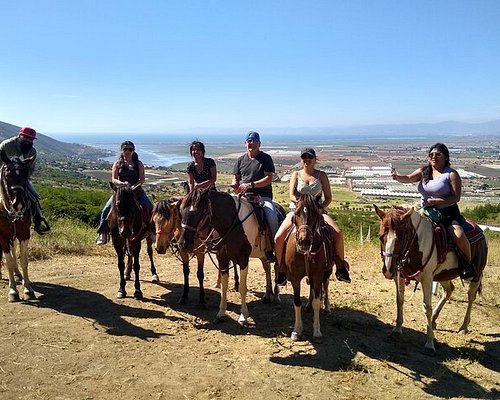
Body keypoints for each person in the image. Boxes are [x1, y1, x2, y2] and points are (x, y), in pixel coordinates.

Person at [391, 142, 475, 280]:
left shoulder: (451, 174)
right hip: (426, 211)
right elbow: (409, 178)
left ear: (446, 157)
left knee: (458, 235)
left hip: (447, 213)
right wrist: (397, 177)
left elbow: (456, 197)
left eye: (438, 154)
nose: (434, 157)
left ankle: (467, 264)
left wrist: (437, 201)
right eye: (431, 155)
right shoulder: (424, 171)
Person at [274, 148, 351, 285]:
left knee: (337, 233)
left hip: (317, 211)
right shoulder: (296, 174)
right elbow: (291, 194)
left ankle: (340, 267)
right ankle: (281, 269)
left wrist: (321, 208)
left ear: (315, 159)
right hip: (297, 211)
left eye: (310, 157)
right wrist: (298, 203)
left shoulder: (321, 176)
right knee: (278, 237)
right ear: (301, 159)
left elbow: (328, 197)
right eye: (304, 157)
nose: (307, 159)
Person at [231, 131, 279, 261]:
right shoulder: (240, 160)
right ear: (245, 143)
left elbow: (269, 178)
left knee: (271, 216)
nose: (251, 144)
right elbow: (235, 178)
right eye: (249, 141)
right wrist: (235, 185)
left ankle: (273, 247)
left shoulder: (266, 158)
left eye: (254, 141)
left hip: (262, 196)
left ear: (259, 144)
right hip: (244, 196)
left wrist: (250, 185)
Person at [96, 141, 153, 245]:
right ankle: (103, 232)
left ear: (133, 151)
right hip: (121, 192)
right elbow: (114, 179)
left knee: (150, 207)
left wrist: (133, 187)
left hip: (136, 191)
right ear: (121, 151)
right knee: (106, 209)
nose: (127, 151)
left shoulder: (138, 164)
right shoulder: (117, 164)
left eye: (130, 149)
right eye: (125, 149)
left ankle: (151, 231)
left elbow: (142, 180)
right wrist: (122, 183)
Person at [0, 126, 50, 234]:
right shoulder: (6, 146)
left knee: (35, 197)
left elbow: (30, 169)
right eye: (26, 137)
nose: (28, 140)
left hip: (20, 180)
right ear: (19, 135)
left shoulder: (32, 152)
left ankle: (38, 221)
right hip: (3, 177)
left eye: (31, 139)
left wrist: (22, 180)